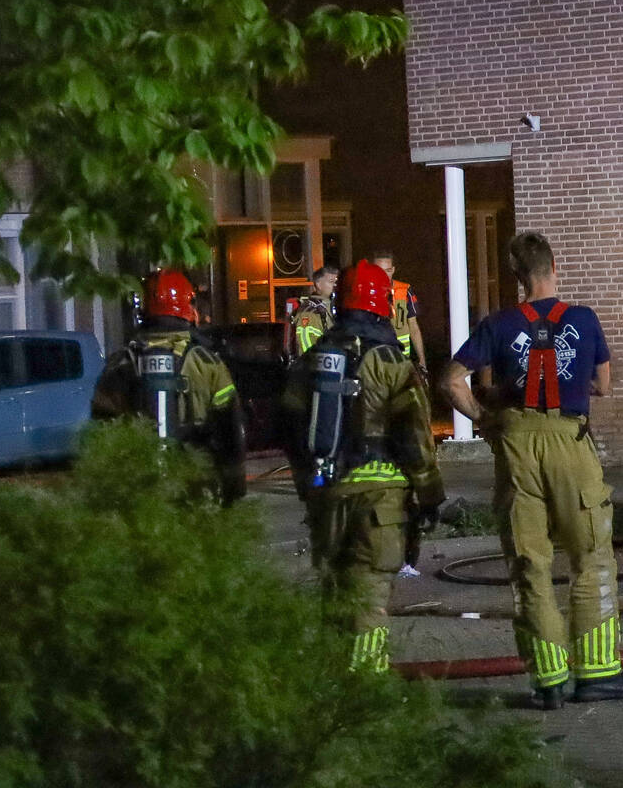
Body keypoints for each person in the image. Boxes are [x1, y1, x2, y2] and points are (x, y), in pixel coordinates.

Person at [442, 232, 623, 707]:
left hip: (516, 447)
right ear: (554, 267)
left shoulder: (497, 324)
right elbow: (603, 384)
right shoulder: (583, 319)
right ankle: (597, 674)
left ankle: (549, 681)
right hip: (569, 444)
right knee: (590, 557)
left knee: (529, 564)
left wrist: (485, 420)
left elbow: (451, 380)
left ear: (517, 275)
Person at [282, 259, 443, 673]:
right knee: (369, 598)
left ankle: (334, 682)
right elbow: (416, 437)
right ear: (383, 305)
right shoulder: (392, 363)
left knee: (335, 592)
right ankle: (366, 690)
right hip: (381, 499)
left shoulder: (315, 358)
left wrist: (307, 485)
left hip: (328, 491)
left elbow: (291, 427)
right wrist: (429, 496)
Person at [92, 268, 247, 504]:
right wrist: (234, 485)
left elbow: (102, 431)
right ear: (188, 307)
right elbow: (231, 427)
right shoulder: (207, 363)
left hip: (139, 492)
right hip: (195, 485)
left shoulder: (121, 363)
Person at [369, 250, 427, 385]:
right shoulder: (366, 293)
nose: (384, 275)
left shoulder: (404, 290)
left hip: (401, 359)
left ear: (393, 270)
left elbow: (414, 327)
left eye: (388, 270)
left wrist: (422, 360)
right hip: (376, 359)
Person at [286, 262, 339, 359]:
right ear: (318, 284)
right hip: (317, 364)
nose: (335, 285)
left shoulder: (335, 307)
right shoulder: (309, 312)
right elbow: (305, 346)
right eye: (331, 281)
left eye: (337, 282)